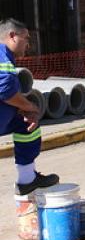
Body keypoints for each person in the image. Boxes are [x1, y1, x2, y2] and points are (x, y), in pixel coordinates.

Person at [0, 18, 59, 195]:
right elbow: (5, 89)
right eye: (26, 38)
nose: (28, 44)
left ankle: (27, 180)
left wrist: (23, 110)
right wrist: (31, 108)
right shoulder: (1, 54)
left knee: (27, 126)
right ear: (12, 36)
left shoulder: (6, 56)